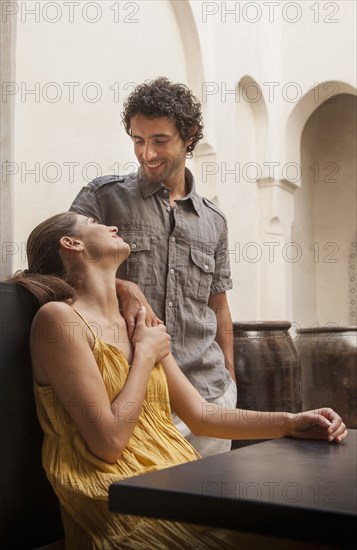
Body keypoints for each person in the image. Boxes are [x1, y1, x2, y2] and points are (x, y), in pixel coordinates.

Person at [9, 211, 348, 550]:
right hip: (113, 497)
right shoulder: (59, 320)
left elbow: (201, 415)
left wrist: (291, 423)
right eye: (94, 222)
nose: (112, 226)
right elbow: (108, 442)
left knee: (307, 529)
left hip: (175, 482)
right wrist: (144, 354)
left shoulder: (140, 322)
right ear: (72, 243)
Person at [70, 76, 237, 457]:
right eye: (138, 140)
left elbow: (219, 306)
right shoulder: (102, 199)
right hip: (137, 399)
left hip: (210, 393)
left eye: (159, 140)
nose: (147, 154)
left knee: (210, 513)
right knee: (154, 514)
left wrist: (229, 373)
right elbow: (56, 266)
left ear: (189, 134)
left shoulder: (215, 220)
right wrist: (123, 287)